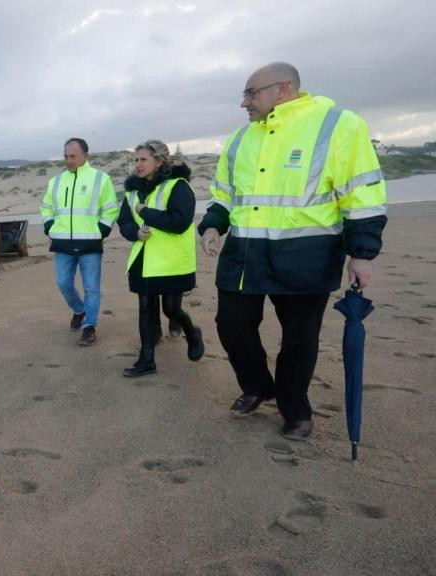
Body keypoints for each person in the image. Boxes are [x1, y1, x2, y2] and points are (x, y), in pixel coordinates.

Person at [198, 62, 387, 441]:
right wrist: (213, 223)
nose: (244, 103)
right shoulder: (240, 138)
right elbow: (225, 194)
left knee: (299, 339)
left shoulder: (337, 124)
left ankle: (294, 407)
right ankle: (257, 385)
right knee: (231, 326)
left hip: (307, 255)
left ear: (282, 89)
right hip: (245, 254)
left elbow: (362, 194)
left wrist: (362, 252)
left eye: (250, 93)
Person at [118, 140, 204, 377]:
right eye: (136, 160)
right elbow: (124, 221)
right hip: (143, 260)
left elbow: (179, 222)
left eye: (143, 159)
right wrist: (134, 233)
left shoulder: (178, 186)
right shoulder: (132, 192)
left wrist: (146, 213)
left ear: (159, 161)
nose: (138, 164)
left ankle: (192, 332)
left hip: (171, 261)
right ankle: (146, 360)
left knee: (170, 309)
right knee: (145, 308)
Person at [39, 138, 120, 346]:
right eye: (66, 156)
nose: (69, 160)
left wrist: (101, 230)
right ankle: (79, 310)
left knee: (92, 288)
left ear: (85, 155)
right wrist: (50, 226)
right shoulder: (55, 182)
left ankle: (89, 326)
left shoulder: (101, 179)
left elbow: (111, 208)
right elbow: (46, 207)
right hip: (62, 243)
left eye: (73, 156)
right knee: (63, 283)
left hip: (90, 244)